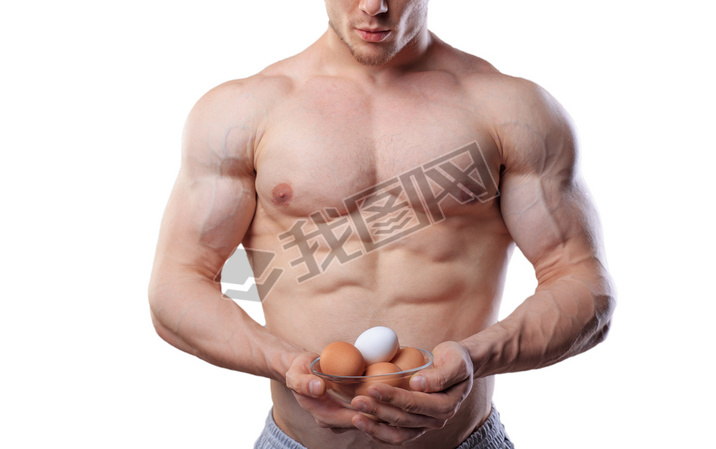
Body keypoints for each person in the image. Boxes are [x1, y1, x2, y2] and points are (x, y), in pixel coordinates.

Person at [148, 0, 615, 447]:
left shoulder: (511, 109)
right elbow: (176, 287)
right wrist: (287, 365)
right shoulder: (241, 112)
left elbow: (584, 285)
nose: (375, 6)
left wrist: (475, 358)